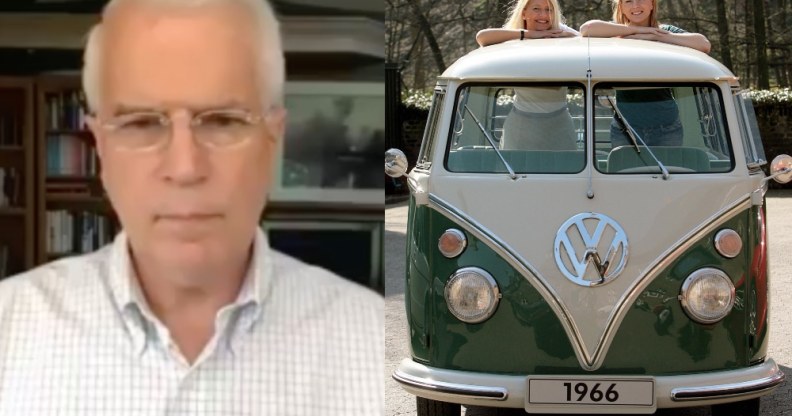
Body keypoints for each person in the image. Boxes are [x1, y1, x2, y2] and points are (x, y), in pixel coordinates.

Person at [0, 0, 383, 414]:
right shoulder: (9, 331)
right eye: (141, 123)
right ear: (101, 148)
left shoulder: (371, 342)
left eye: (222, 120)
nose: (185, 168)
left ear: (274, 140)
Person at [580, 0, 711, 148]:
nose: (635, 5)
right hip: (625, 128)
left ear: (652, 4)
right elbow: (586, 29)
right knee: (624, 172)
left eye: (641, 0)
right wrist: (638, 31)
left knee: (669, 171)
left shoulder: (664, 30)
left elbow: (704, 44)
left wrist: (656, 37)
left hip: (667, 127)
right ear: (621, 7)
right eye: (628, 1)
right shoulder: (615, 32)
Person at [476, 0, 580, 151]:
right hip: (521, 124)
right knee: (516, 172)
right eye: (536, 9)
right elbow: (482, 37)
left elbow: (582, 38)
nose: (544, 15)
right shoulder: (513, 35)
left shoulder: (558, 32)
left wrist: (560, 36)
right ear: (523, 13)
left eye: (549, 10)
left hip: (560, 123)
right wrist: (532, 35)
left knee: (566, 171)